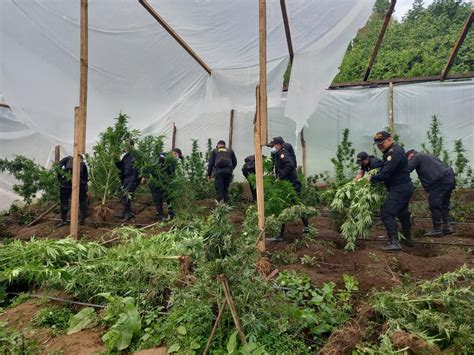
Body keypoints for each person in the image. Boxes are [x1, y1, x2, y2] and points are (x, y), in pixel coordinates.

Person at [370, 131, 414, 251]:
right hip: (403, 188)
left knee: (386, 212)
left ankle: (394, 242)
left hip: (400, 188)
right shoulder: (391, 152)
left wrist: (370, 178)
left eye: (382, 142)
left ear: (390, 139)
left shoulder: (394, 153)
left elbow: (386, 174)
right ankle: (408, 239)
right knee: (403, 213)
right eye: (377, 144)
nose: (380, 146)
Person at [267, 137, 309, 242]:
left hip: (292, 186)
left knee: (287, 207)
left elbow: (290, 164)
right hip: (289, 185)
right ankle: (307, 228)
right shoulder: (279, 153)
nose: (273, 147)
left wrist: (281, 175)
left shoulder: (283, 154)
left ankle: (281, 235)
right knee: (295, 207)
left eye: (274, 145)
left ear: (278, 145)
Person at [406, 149, 455, 236]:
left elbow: (407, 169)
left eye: (408, 159)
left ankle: (437, 230)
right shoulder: (425, 155)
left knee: (434, 204)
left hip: (439, 181)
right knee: (444, 204)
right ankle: (447, 227)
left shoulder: (416, 157)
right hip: (448, 177)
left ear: (410, 156)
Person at [149, 148, 183, 221]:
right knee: (158, 198)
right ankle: (160, 215)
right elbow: (156, 169)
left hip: (164, 182)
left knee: (170, 195)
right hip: (155, 181)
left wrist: (171, 182)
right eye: (177, 156)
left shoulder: (172, 163)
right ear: (174, 153)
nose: (177, 158)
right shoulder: (162, 157)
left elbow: (172, 174)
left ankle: (171, 213)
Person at [57, 155, 88, 227]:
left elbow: (58, 167)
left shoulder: (71, 160)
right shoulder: (80, 162)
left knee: (80, 201)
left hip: (70, 184)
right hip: (71, 184)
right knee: (81, 201)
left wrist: (61, 178)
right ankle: (80, 221)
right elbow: (86, 177)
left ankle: (67, 220)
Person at [115, 140, 140, 221]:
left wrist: (143, 177)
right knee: (124, 196)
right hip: (125, 178)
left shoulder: (137, 155)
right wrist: (116, 157)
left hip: (133, 178)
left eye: (127, 145)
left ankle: (127, 213)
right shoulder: (126, 156)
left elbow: (142, 166)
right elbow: (120, 166)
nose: (125, 147)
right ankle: (127, 213)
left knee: (126, 195)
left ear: (132, 146)